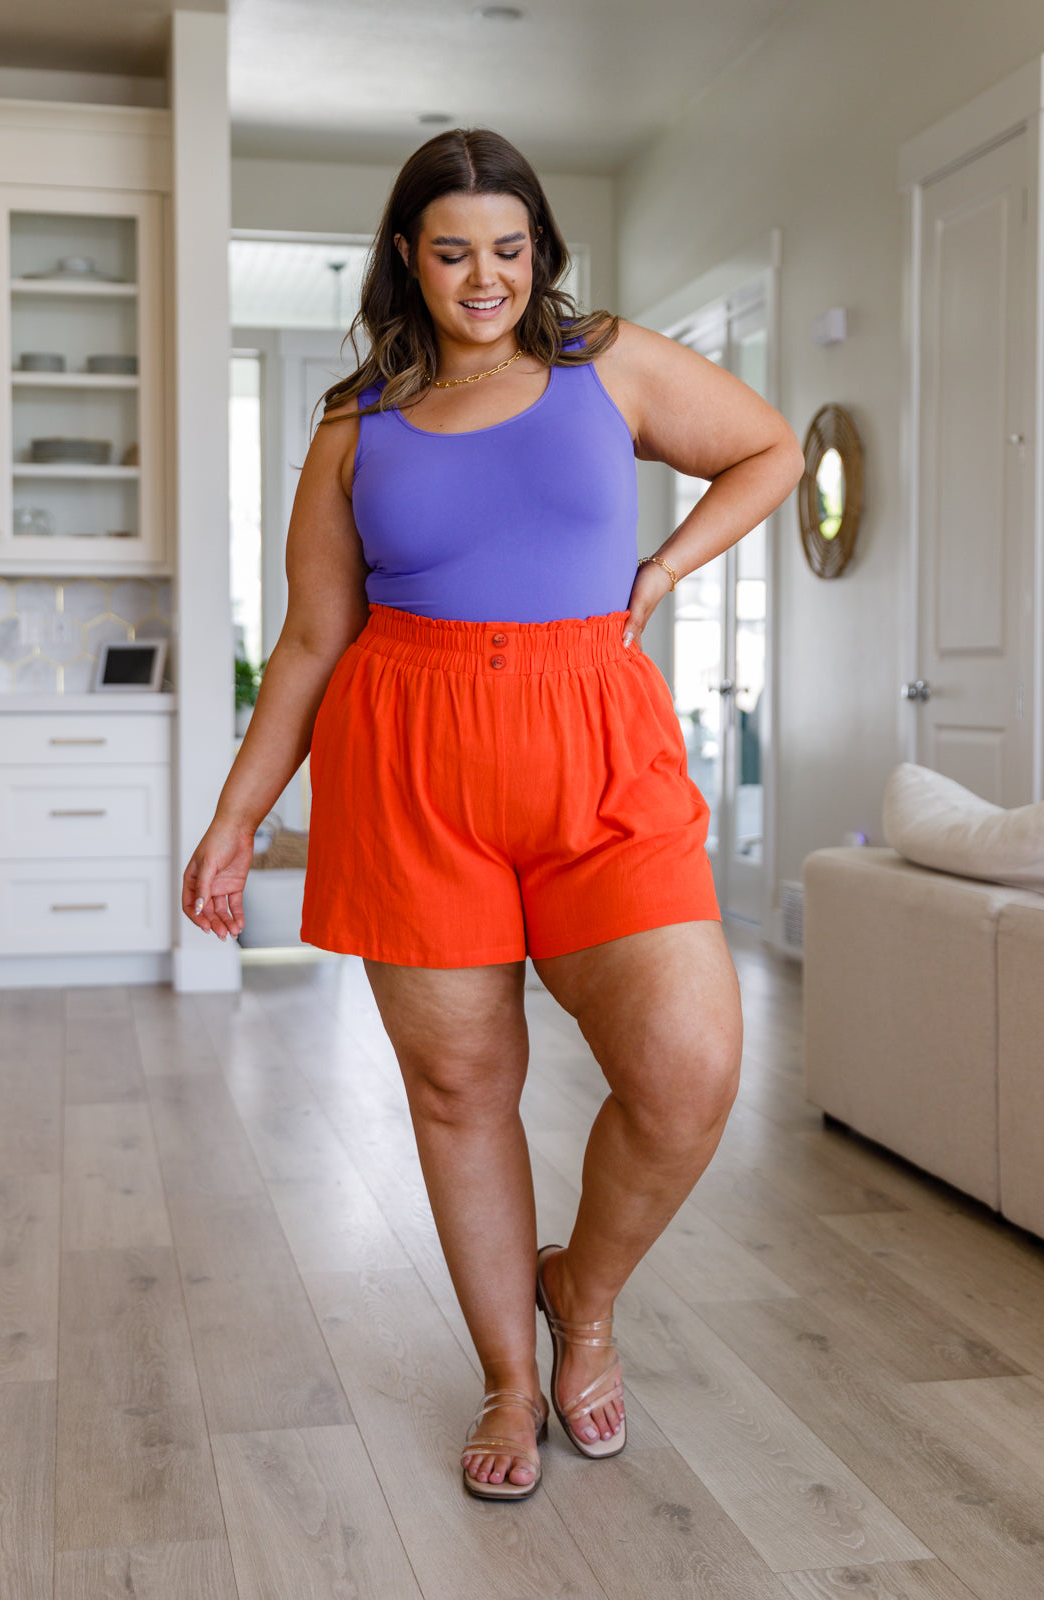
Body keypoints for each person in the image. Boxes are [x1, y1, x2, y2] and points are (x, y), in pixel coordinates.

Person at [183, 127, 804, 1503]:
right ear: (407, 255)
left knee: (690, 1068)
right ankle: (511, 1379)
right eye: (454, 250)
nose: (485, 279)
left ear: (541, 251)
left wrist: (662, 570)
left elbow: (767, 449)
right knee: (461, 1089)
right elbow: (310, 640)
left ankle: (582, 1297)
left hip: (599, 747)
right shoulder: (356, 422)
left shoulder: (609, 363)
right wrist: (235, 819)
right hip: (410, 763)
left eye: (510, 250)